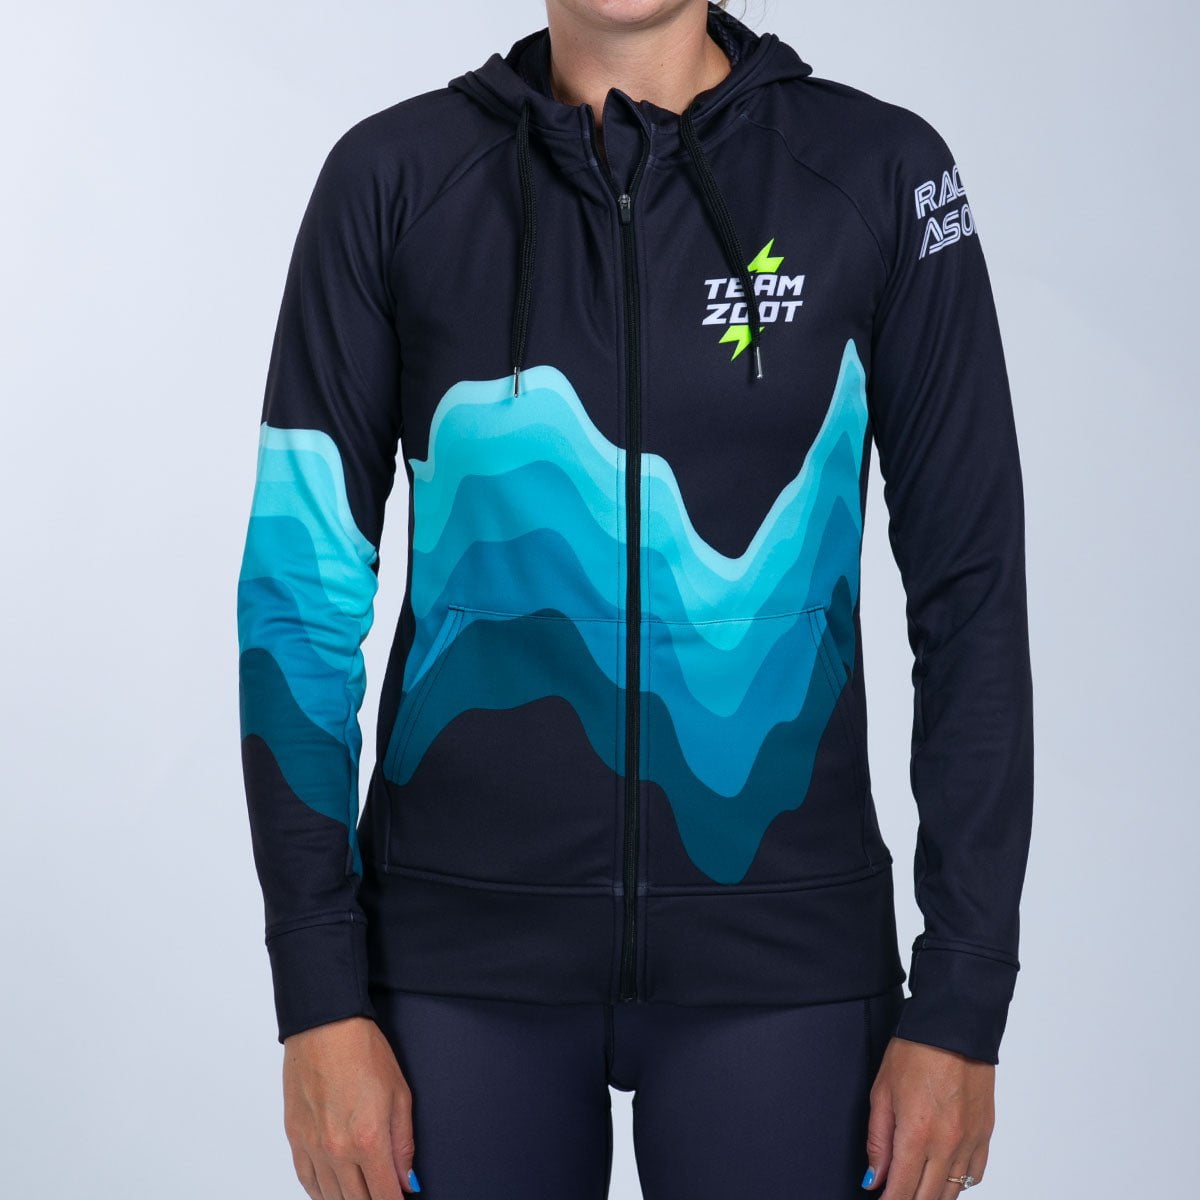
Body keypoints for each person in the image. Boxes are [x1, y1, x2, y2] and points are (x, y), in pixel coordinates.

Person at [235, 1, 1034, 1196]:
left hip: (786, 965)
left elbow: (972, 594)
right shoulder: (394, 180)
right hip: (455, 973)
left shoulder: (877, 175)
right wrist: (316, 992)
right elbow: (298, 598)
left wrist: (964, 999)